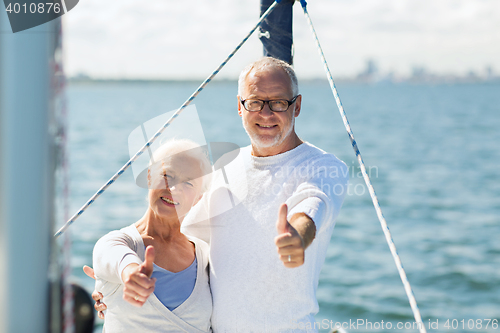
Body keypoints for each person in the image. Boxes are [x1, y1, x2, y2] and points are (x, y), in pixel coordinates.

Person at [92, 57, 348, 332]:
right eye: (255, 102)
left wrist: (298, 236)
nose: (265, 113)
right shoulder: (228, 166)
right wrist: (114, 287)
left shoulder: (323, 166)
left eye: (278, 102)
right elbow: (180, 233)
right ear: (240, 107)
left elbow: (314, 203)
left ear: (296, 106)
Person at [88, 139, 213, 332]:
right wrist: (132, 274)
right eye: (167, 176)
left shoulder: (205, 255)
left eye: (188, 183)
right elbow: (115, 257)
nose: (173, 189)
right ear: (148, 176)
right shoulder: (118, 243)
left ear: (198, 199)